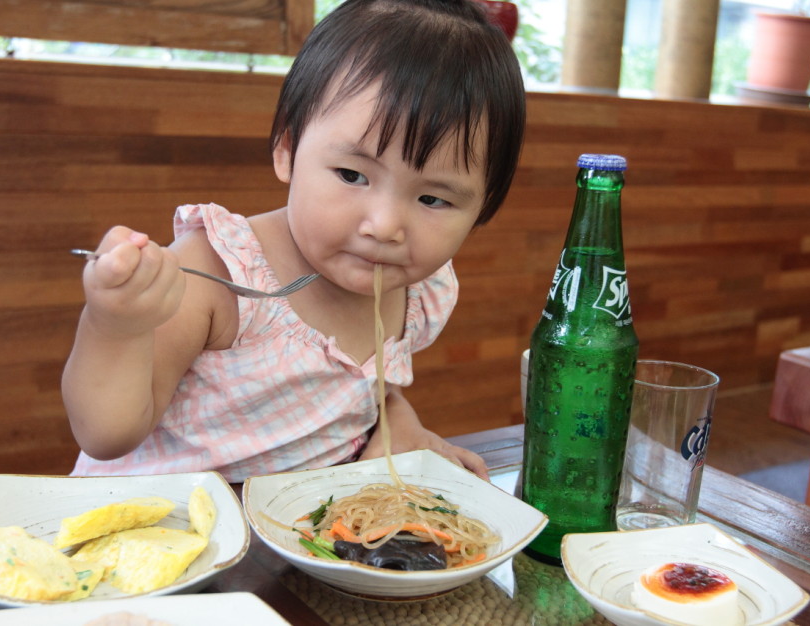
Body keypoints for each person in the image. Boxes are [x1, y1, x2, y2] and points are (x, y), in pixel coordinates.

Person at [61, 0, 525, 482]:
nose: (385, 225)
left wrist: (399, 420)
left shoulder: (420, 294)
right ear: (287, 148)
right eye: (351, 174)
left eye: (432, 200)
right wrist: (115, 324)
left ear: (483, 207)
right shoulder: (217, 273)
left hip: (296, 541)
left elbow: (361, 388)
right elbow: (105, 434)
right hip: (151, 537)